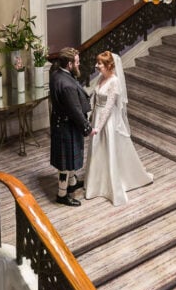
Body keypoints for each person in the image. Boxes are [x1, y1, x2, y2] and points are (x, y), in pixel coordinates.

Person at [84, 51, 153, 206]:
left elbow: (108, 107)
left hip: (108, 121)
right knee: (98, 149)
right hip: (97, 116)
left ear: (109, 65)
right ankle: (97, 183)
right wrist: (89, 117)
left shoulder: (114, 81)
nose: (96, 66)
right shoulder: (102, 78)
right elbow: (95, 99)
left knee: (108, 149)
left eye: (100, 64)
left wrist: (98, 127)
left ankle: (113, 185)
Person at [49, 47, 92, 206]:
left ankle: (72, 183)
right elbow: (75, 111)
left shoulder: (56, 75)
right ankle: (61, 194)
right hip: (67, 126)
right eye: (77, 62)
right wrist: (87, 128)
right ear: (69, 64)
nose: (79, 65)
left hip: (62, 124)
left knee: (69, 160)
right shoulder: (66, 84)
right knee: (65, 164)